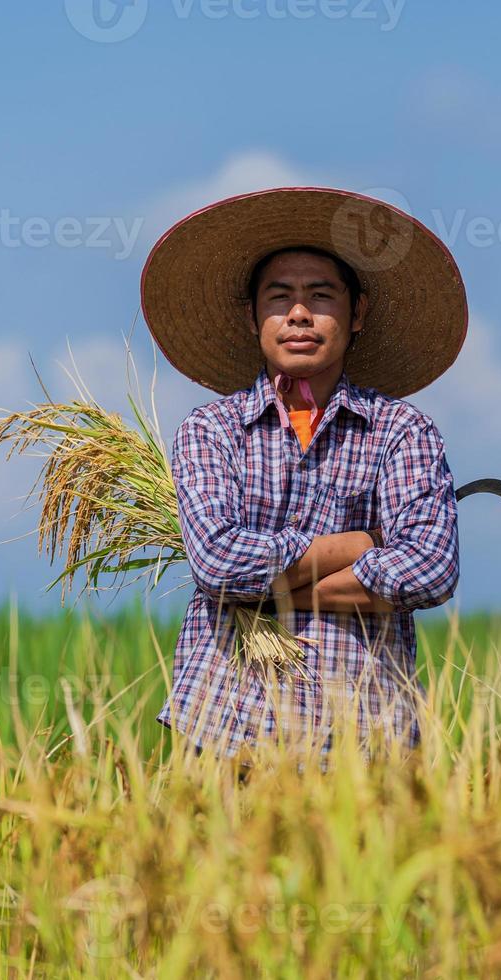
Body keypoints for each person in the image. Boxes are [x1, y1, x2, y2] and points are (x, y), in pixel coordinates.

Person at [140, 186, 469, 766]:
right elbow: (217, 561)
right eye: (280, 297)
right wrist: (359, 545)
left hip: (366, 734)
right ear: (252, 317)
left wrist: (268, 591)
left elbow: (431, 568)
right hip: (225, 726)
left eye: (320, 296)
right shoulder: (212, 431)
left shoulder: (400, 431)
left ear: (357, 313)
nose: (299, 313)